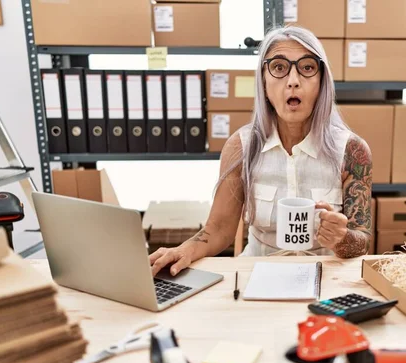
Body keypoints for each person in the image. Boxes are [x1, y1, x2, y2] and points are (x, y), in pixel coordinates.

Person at [149, 26, 373, 277]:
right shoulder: (241, 147)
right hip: (257, 274)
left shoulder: (352, 151)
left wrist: (341, 239)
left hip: (327, 279)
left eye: (307, 68)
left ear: (322, 82)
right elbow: (220, 228)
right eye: (279, 68)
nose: (293, 80)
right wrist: (186, 250)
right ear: (263, 82)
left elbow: (361, 241)